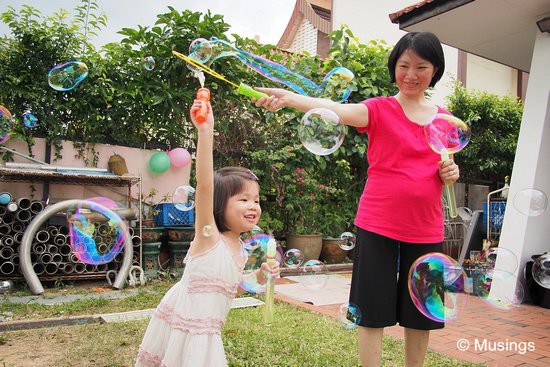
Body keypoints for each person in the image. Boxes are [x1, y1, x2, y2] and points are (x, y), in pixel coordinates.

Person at [253, 31, 460, 367]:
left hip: (426, 227)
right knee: (371, 308)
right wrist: (288, 97)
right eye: (403, 65)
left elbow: (447, 164)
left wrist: (452, 172)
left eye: (421, 67)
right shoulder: (379, 109)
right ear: (394, 67)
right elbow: (332, 108)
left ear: (434, 70)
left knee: (421, 311)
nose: (410, 75)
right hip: (378, 224)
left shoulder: (444, 118)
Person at [135, 95, 280, 367]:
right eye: (243, 199)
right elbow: (203, 185)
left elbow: (231, 284)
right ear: (217, 205)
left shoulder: (239, 247)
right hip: (190, 328)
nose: (253, 206)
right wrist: (205, 130)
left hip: (208, 331)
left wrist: (259, 275)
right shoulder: (208, 237)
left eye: (256, 200)